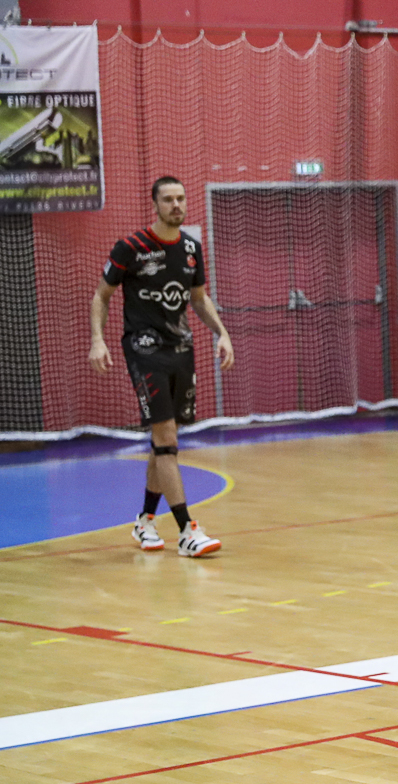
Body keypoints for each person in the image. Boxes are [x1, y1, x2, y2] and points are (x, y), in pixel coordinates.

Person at [88, 176, 234, 557]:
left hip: (180, 350)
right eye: (168, 199)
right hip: (143, 349)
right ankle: (187, 530)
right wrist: (98, 339)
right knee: (166, 438)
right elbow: (101, 296)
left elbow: (198, 299)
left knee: (164, 441)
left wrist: (222, 333)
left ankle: (145, 521)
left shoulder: (191, 249)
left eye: (180, 198)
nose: (176, 205)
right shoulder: (131, 247)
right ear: (155, 205)